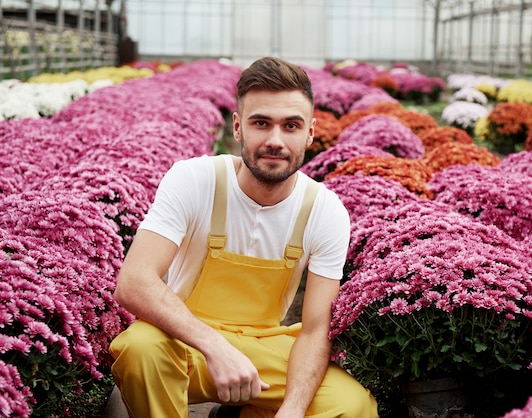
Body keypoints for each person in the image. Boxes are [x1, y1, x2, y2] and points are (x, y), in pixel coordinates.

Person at [109, 56, 379, 418]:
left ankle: (243, 412)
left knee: (351, 405)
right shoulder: (195, 179)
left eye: (291, 126)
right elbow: (134, 281)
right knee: (141, 348)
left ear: (310, 132)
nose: (275, 140)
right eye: (261, 123)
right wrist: (214, 346)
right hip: (185, 346)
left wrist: (293, 410)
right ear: (237, 127)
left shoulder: (325, 210)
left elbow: (315, 330)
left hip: (261, 349)